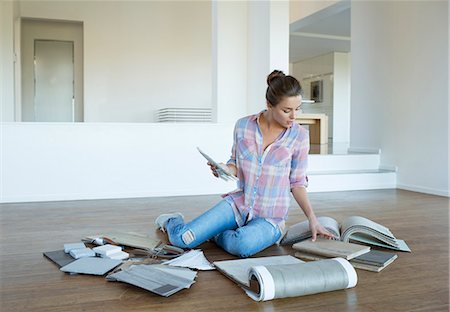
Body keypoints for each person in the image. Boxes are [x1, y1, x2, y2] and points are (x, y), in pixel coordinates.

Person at [155, 70, 333, 258]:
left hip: (270, 218)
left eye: (298, 108)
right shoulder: (243, 126)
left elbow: (297, 183)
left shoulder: (300, 137)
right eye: (287, 110)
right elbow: (235, 165)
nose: (294, 116)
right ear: (269, 105)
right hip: (239, 204)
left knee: (242, 245)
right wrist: (224, 169)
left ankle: (215, 232)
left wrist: (312, 219)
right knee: (182, 240)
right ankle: (172, 220)